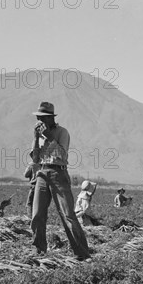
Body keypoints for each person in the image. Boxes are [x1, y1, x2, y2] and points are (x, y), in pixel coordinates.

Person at [29, 102, 91, 260]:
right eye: (38, 118)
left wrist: (49, 137)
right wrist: (36, 138)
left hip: (58, 173)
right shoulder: (38, 135)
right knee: (37, 214)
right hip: (42, 173)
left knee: (68, 214)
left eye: (42, 118)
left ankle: (82, 252)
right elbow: (35, 158)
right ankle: (39, 249)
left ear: (50, 118)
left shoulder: (62, 132)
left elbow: (62, 155)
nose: (39, 121)